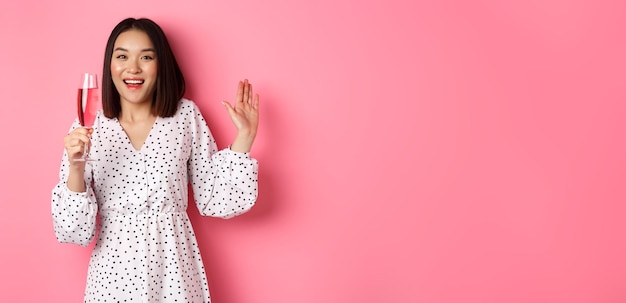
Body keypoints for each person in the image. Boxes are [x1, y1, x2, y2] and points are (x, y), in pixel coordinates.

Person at [51, 17, 259, 302]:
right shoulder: (88, 125)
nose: (133, 68)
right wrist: (76, 166)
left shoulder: (185, 116)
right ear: (109, 65)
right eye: (122, 56)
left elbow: (215, 199)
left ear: (161, 64)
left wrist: (245, 136)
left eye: (146, 57)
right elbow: (73, 230)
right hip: (113, 275)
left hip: (174, 271)